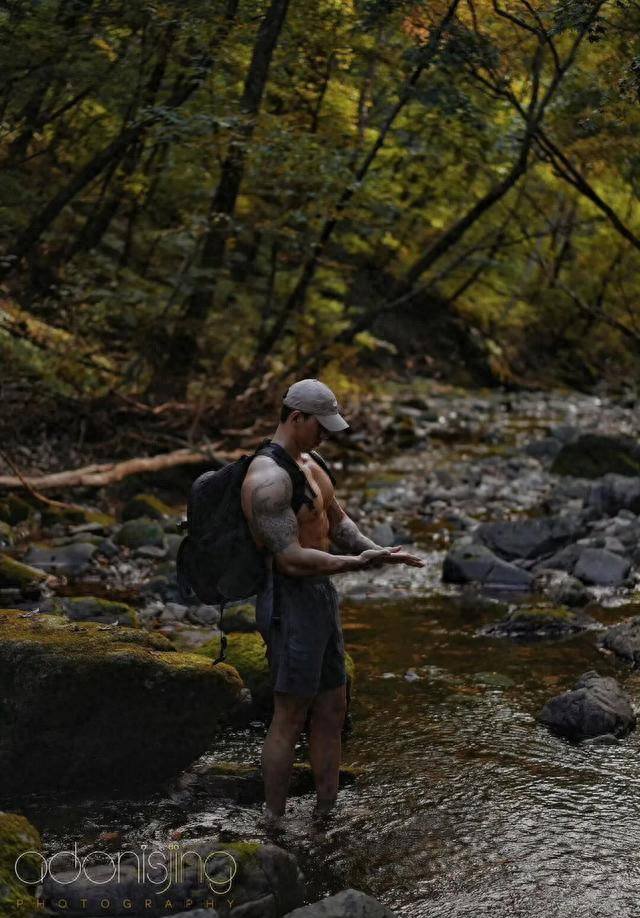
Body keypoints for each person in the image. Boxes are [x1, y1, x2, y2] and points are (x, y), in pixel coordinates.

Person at [240, 378, 424, 824]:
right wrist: (356, 565)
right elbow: (290, 560)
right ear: (296, 417)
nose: (326, 434)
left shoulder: (313, 461)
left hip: (321, 596)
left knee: (333, 706)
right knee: (291, 712)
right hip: (289, 601)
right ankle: (274, 821)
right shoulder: (267, 480)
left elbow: (337, 523)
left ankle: (327, 810)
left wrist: (375, 549)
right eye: (320, 426)